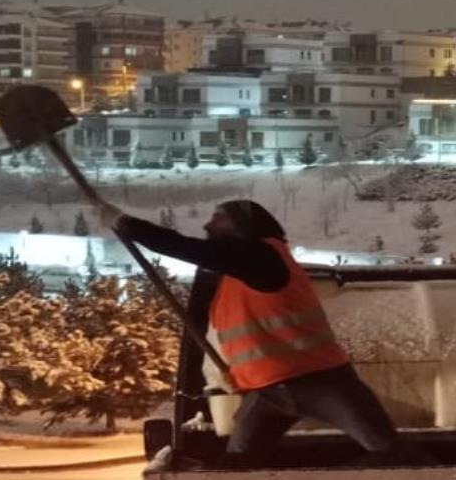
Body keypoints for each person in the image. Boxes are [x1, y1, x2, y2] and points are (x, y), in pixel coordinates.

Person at [96, 197, 420, 465]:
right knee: (237, 465)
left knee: (389, 451)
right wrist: (237, 375)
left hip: (320, 380)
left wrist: (129, 225)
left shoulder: (263, 257)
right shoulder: (237, 277)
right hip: (270, 392)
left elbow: (187, 248)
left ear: (244, 226)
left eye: (218, 219)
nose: (208, 226)